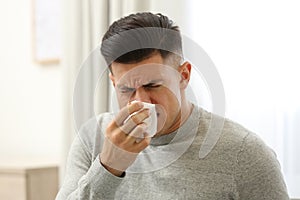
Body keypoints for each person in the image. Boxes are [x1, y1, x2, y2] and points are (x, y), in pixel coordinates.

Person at [56, 12, 289, 199]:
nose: (141, 101)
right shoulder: (93, 139)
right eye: (126, 89)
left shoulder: (244, 153)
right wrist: (107, 169)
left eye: (153, 85)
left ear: (184, 75)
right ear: (113, 82)